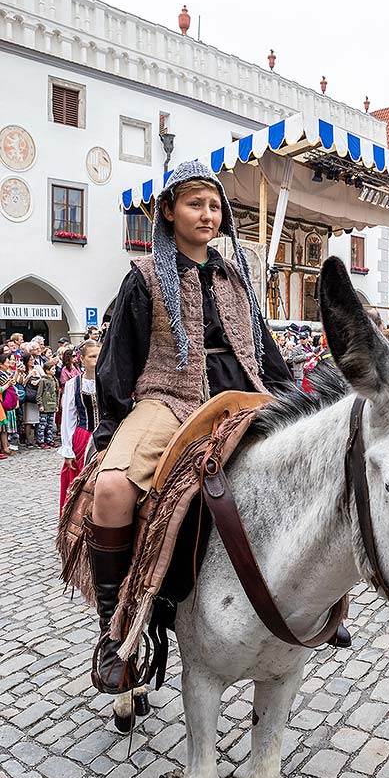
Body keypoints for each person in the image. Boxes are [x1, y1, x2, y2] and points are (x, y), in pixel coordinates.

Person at [87, 160, 292, 696]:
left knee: (306, 464)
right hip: (170, 398)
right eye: (195, 204)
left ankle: (306, 601)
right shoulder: (145, 276)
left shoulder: (237, 275)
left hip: (244, 394)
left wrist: (294, 400)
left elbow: (264, 350)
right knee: (110, 489)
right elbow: (118, 361)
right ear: (170, 211)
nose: (207, 214)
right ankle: (114, 634)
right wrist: (109, 432)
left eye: (214, 205)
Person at [59, 340, 100, 512]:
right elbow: (68, 418)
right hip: (84, 437)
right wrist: (68, 449)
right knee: (82, 482)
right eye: (92, 356)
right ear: (81, 359)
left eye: (99, 355)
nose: (96, 359)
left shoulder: (109, 380)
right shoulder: (73, 384)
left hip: (108, 437)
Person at [36, 360, 59, 448]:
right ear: (47, 370)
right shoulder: (43, 380)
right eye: (52, 369)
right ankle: (41, 441)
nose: (54, 371)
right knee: (42, 425)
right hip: (45, 406)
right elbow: (39, 394)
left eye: (55, 369)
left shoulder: (55, 380)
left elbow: (56, 393)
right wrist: (40, 404)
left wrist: (56, 405)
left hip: (52, 405)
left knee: (50, 425)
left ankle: (50, 440)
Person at [22, 352, 42, 448]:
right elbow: (21, 383)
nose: (32, 361)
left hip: (37, 396)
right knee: (28, 420)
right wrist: (29, 376)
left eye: (33, 359)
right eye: (30, 359)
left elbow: (43, 378)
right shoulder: (23, 370)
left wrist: (38, 380)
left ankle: (38, 439)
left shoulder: (37, 368)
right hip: (28, 398)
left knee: (38, 419)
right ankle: (28, 440)